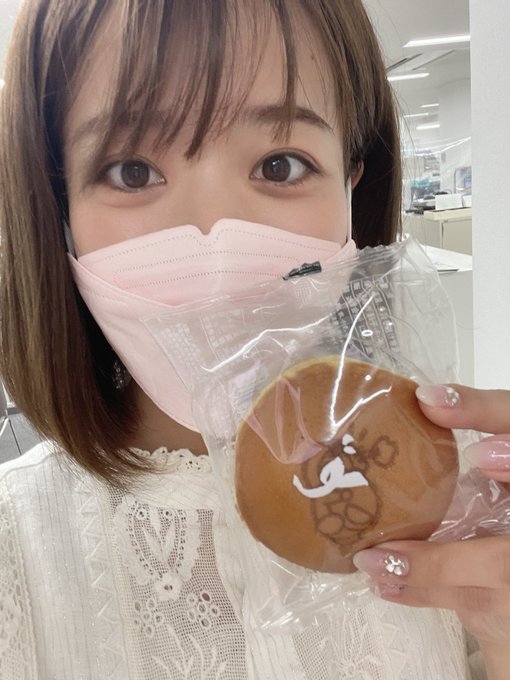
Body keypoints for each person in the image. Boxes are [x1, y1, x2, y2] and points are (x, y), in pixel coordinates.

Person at [0, 1, 508, 678]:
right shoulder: (16, 550)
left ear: (353, 184)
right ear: (58, 209)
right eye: (131, 171)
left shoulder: (455, 499)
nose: (216, 239)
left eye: (280, 165)